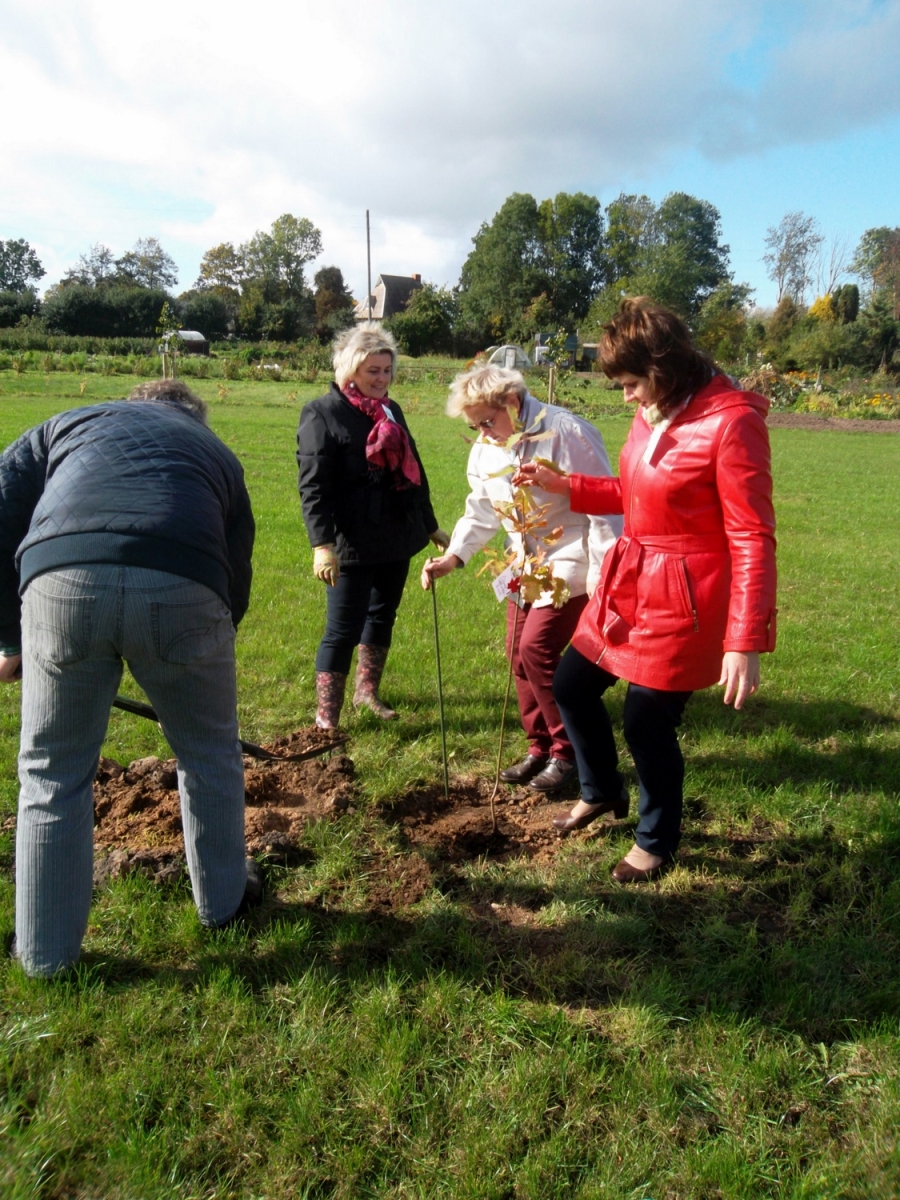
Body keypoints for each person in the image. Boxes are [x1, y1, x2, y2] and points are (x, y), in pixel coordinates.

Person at [0, 380, 258, 977]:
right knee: (209, 753)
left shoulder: (69, 420)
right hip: (184, 582)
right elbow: (236, 560)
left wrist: (10, 639)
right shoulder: (216, 451)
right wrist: (211, 641)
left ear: (135, 402)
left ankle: (44, 957)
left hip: (60, 579)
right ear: (193, 415)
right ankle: (223, 907)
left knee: (51, 770)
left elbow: (4, 499)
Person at [516, 298, 777, 881]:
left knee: (645, 721)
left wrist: (745, 638)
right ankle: (602, 788)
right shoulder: (655, 408)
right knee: (572, 685)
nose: (626, 397)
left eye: (631, 383)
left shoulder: (732, 422)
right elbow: (641, 491)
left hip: (689, 595)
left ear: (660, 369)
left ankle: (656, 839)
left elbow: (753, 534)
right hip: (630, 581)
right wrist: (568, 485)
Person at [421, 365, 621, 792]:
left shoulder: (565, 432)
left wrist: (606, 577)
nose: (482, 432)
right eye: (474, 425)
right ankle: (540, 747)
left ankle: (568, 755)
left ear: (511, 402)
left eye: (487, 421)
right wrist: (453, 557)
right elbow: (482, 509)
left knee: (537, 648)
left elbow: (605, 506)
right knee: (517, 652)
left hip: (570, 560)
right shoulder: (487, 447)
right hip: (521, 565)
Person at [297, 325, 448, 728]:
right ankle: (327, 717)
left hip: (396, 533)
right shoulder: (322, 413)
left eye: (386, 370)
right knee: (342, 628)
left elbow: (414, 470)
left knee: (382, 616)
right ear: (350, 370)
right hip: (352, 538)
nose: (381, 380)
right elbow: (313, 486)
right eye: (372, 372)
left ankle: (367, 694)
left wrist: (430, 525)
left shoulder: (391, 410)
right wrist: (321, 544)